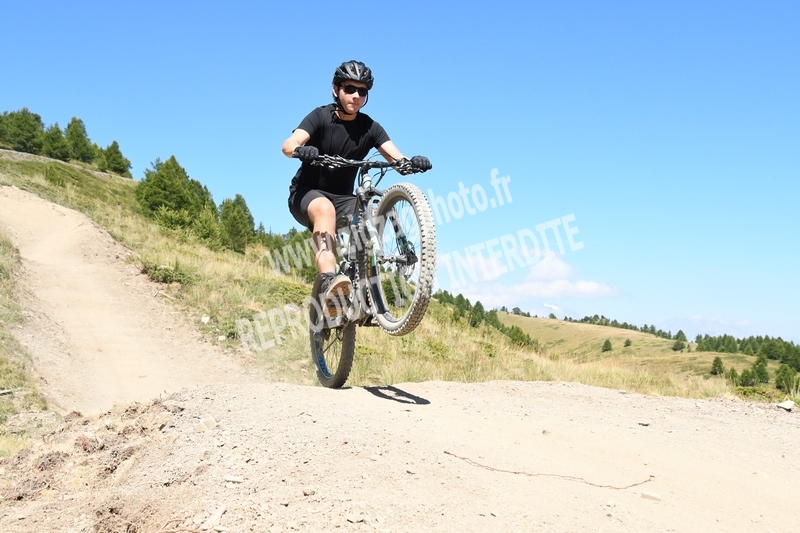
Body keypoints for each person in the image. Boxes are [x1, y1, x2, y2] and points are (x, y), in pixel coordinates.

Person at [282, 60, 431, 316]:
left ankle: (362, 288)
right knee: (325, 210)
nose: (356, 96)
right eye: (349, 89)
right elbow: (288, 144)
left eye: (362, 91)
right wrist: (301, 149)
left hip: (344, 198)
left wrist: (411, 163)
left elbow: (396, 158)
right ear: (335, 90)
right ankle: (330, 283)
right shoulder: (320, 116)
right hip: (306, 194)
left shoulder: (369, 127)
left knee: (372, 212)